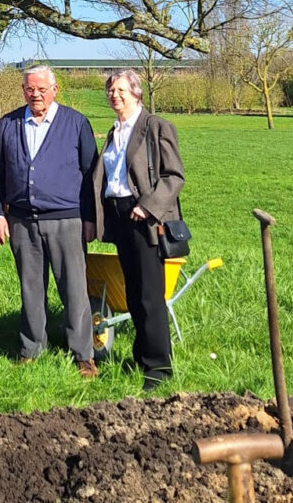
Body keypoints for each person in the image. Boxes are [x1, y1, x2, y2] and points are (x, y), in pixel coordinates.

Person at [0, 64, 100, 378]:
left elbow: (92, 175)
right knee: (30, 289)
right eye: (29, 89)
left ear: (55, 89)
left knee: (74, 289)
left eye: (41, 89)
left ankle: (83, 354)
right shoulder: (8, 124)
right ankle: (31, 348)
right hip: (21, 220)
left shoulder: (76, 123)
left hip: (67, 220)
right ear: (23, 90)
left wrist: (90, 218)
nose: (35, 95)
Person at [86, 69, 185, 391]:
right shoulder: (115, 131)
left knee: (149, 296)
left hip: (145, 218)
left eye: (120, 90)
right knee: (132, 292)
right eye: (110, 91)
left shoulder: (155, 127)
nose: (114, 95)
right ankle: (141, 356)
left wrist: (149, 206)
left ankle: (158, 368)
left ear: (136, 93)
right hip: (121, 218)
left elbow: (174, 176)